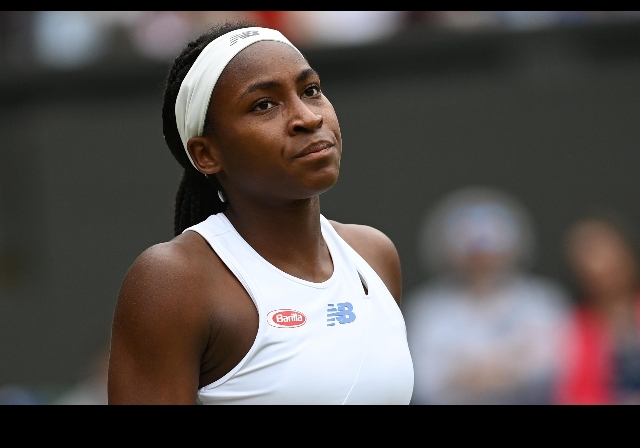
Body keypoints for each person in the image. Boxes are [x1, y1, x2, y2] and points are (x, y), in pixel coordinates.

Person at [107, 21, 414, 404]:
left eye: (311, 90)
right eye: (264, 105)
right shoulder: (174, 281)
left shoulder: (374, 254)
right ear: (206, 154)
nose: (308, 117)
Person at [404, 186, 568, 404]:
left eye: (491, 252)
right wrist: (511, 363)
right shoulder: (427, 309)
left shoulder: (542, 301)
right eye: (473, 255)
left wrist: (468, 371)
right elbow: (426, 381)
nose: (482, 262)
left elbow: (554, 368)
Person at [555, 214, 640, 404]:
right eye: (587, 256)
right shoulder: (573, 326)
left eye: (608, 252)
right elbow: (578, 393)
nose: (598, 267)